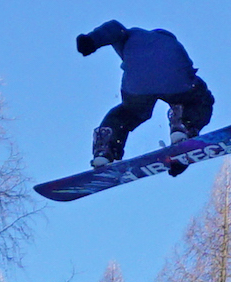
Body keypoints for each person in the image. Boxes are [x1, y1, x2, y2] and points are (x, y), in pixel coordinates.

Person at [76, 20, 215, 172]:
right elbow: (188, 70)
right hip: (175, 76)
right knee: (198, 100)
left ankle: (105, 149)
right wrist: (183, 152)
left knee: (128, 113)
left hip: (137, 83)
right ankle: (183, 127)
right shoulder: (171, 43)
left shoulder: (132, 36)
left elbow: (114, 28)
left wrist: (91, 40)